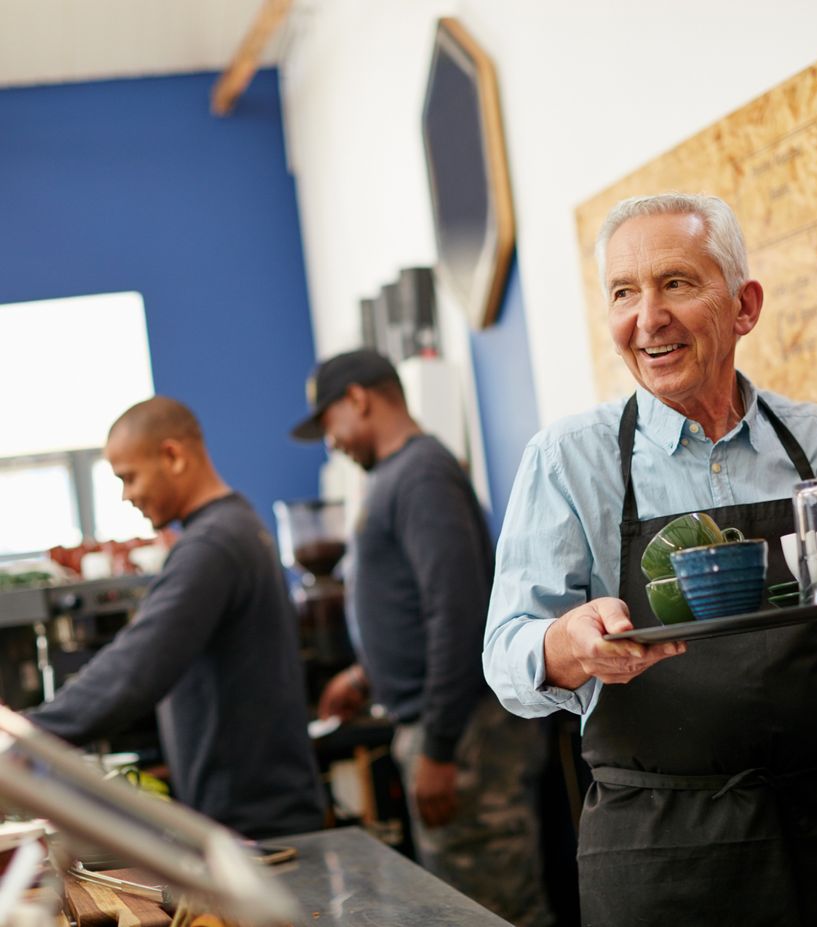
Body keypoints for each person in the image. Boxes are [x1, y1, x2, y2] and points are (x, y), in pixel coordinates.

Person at [483, 193, 817, 927]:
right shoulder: (568, 460)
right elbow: (506, 653)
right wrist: (565, 642)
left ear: (744, 306)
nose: (646, 317)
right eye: (623, 292)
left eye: (677, 283)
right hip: (660, 851)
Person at [291, 349, 553, 927]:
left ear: (357, 399)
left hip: (466, 738)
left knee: (491, 907)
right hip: (445, 730)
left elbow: (455, 612)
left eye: (329, 423)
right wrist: (366, 675)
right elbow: (413, 602)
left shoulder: (422, 473)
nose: (331, 442)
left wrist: (438, 748)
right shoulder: (398, 475)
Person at [28, 396, 326, 840]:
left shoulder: (213, 545)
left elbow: (136, 666)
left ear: (173, 455)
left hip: (256, 826)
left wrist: (28, 734)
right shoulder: (234, 526)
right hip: (258, 813)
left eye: (129, 477)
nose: (127, 495)